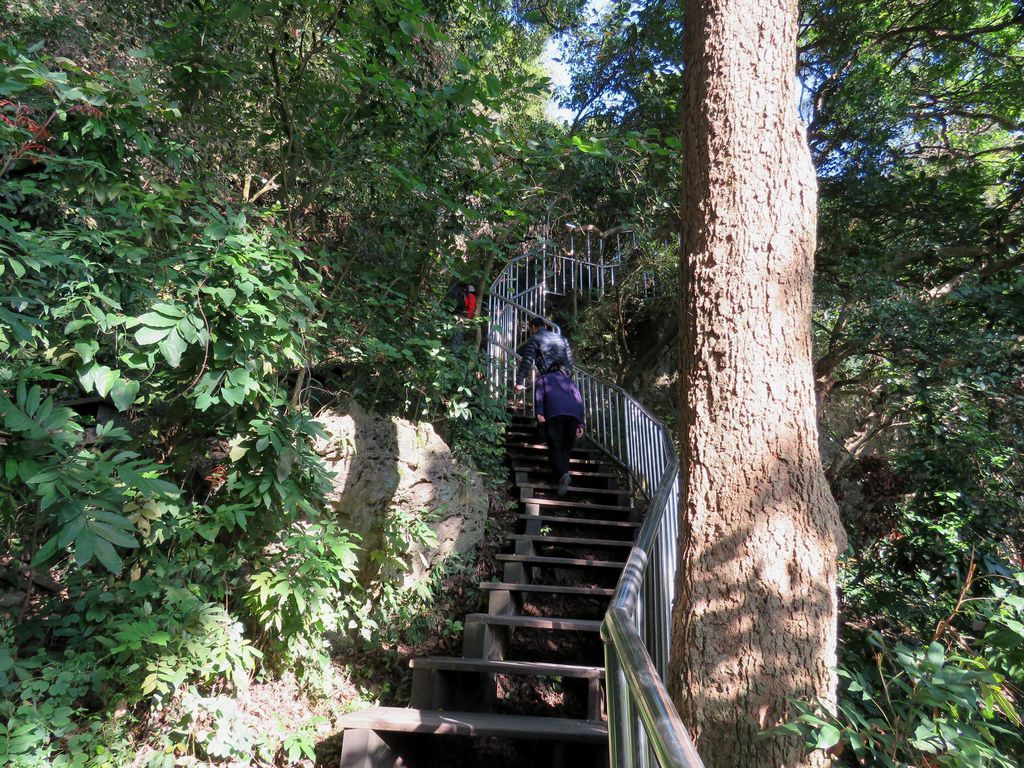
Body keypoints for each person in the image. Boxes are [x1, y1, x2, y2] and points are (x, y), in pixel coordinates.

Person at [534, 369, 585, 496]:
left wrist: (539, 413)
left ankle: (563, 474)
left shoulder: (543, 378)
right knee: (566, 448)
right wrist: (581, 423)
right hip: (573, 415)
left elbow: (539, 396)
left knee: (555, 446)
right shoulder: (570, 382)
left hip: (554, 413)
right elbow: (579, 401)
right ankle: (563, 478)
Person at [514, 316, 574, 391]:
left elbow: (527, 360)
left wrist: (519, 382)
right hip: (566, 378)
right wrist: (569, 376)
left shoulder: (535, 338)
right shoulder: (562, 338)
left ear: (533, 327)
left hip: (550, 378)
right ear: (544, 326)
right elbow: (570, 359)